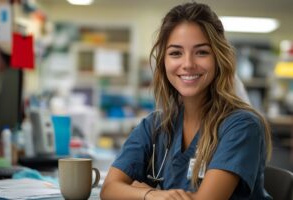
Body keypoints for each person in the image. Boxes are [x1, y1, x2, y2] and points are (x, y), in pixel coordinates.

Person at [100, 1, 272, 200]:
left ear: (218, 59)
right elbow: (109, 190)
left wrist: (136, 190)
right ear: (163, 62)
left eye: (201, 52)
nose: (188, 64)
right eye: (175, 53)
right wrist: (153, 196)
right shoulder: (155, 126)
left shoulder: (242, 126)